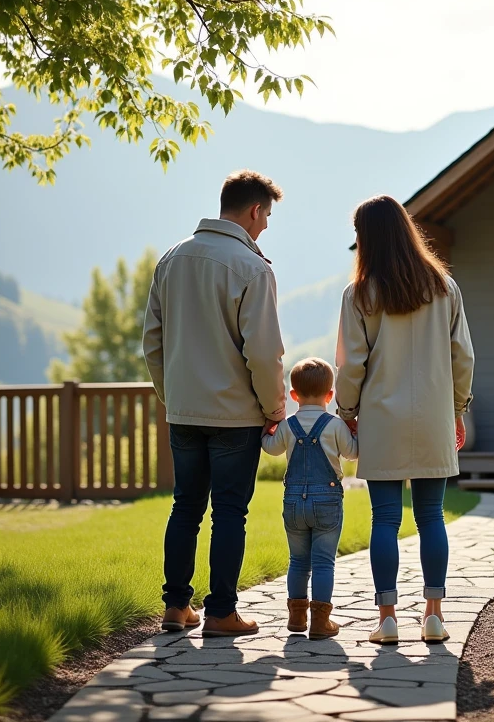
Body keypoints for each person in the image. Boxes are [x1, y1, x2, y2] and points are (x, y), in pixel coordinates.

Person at [143, 169, 287, 638]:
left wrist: (173, 396)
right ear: (253, 210)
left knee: (185, 507)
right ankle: (222, 612)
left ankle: (175, 608)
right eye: (266, 216)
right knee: (229, 512)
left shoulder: (171, 258)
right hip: (234, 415)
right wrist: (274, 408)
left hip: (184, 410)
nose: (265, 226)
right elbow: (263, 352)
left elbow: (153, 342)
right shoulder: (253, 268)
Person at [335, 195, 475, 646]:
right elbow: (463, 358)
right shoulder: (444, 287)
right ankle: (433, 616)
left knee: (384, 520)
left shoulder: (359, 295)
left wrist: (347, 412)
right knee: (432, 516)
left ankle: (388, 619)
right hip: (434, 417)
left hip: (381, 420)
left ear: (367, 238)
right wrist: (457, 409)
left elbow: (350, 365)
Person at [262, 357, 359, 640]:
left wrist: (268, 427)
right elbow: (352, 453)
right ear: (330, 395)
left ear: (294, 396)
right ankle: (320, 622)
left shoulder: (288, 425)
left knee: (298, 560)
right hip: (327, 500)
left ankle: (296, 617)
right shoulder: (335, 424)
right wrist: (355, 431)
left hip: (293, 501)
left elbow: (270, 447)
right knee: (324, 562)